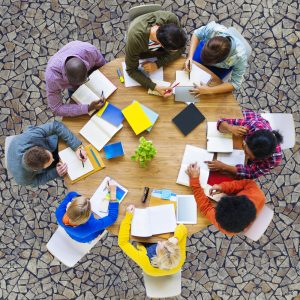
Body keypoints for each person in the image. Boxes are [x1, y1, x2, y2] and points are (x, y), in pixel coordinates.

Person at [186, 163, 265, 235]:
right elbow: (246, 183)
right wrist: (223, 187)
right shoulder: (258, 195)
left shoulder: (225, 226)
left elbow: (206, 208)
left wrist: (194, 180)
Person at [205, 110, 283, 179]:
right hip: (248, 117)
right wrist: (231, 128)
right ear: (248, 137)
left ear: (263, 158)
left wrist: (224, 167)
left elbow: (251, 173)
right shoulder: (252, 126)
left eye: (250, 157)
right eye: (245, 150)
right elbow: (221, 122)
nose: (245, 157)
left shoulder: (274, 160)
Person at [125, 11, 187, 97]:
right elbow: (131, 70)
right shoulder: (135, 39)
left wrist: (157, 64)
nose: (177, 51)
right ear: (161, 45)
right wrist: (154, 87)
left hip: (156, 54)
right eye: (173, 51)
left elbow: (182, 49)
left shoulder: (172, 19)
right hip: (143, 54)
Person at [7, 121, 87, 187]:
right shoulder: (23, 179)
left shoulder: (31, 136)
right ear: (37, 170)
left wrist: (77, 147)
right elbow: (36, 181)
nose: (53, 159)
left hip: (22, 143)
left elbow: (55, 126)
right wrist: (55, 173)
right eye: (50, 161)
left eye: (50, 157)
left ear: (37, 147)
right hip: (21, 163)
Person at [118, 205, 187, 276]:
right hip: (168, 269)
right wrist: (176, 238)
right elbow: (182, 228)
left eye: (160, 245)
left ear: (158, 256)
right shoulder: (178, 256)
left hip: (144, 243)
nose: (159, 241)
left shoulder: (143, 260)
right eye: (166, 242)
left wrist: (128, 217)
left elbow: (123, 243)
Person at [185, 21, 249, 96]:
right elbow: (196, 34)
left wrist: (209, 90)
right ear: (207, 42)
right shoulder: (214, 30)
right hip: (206, 53)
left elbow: (235, 84)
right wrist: (190, 57)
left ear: (220, 62)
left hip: (221, 69)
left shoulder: (239, 57)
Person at [45, 41, 106, 116]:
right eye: (78, 84)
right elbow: (56, 109)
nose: (83, 86)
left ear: (85, 64)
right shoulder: (52, 78)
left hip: (91, 70)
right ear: (66, 78)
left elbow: (104, 66)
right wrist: (88, 108)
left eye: (85, 80)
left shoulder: (89, 51)